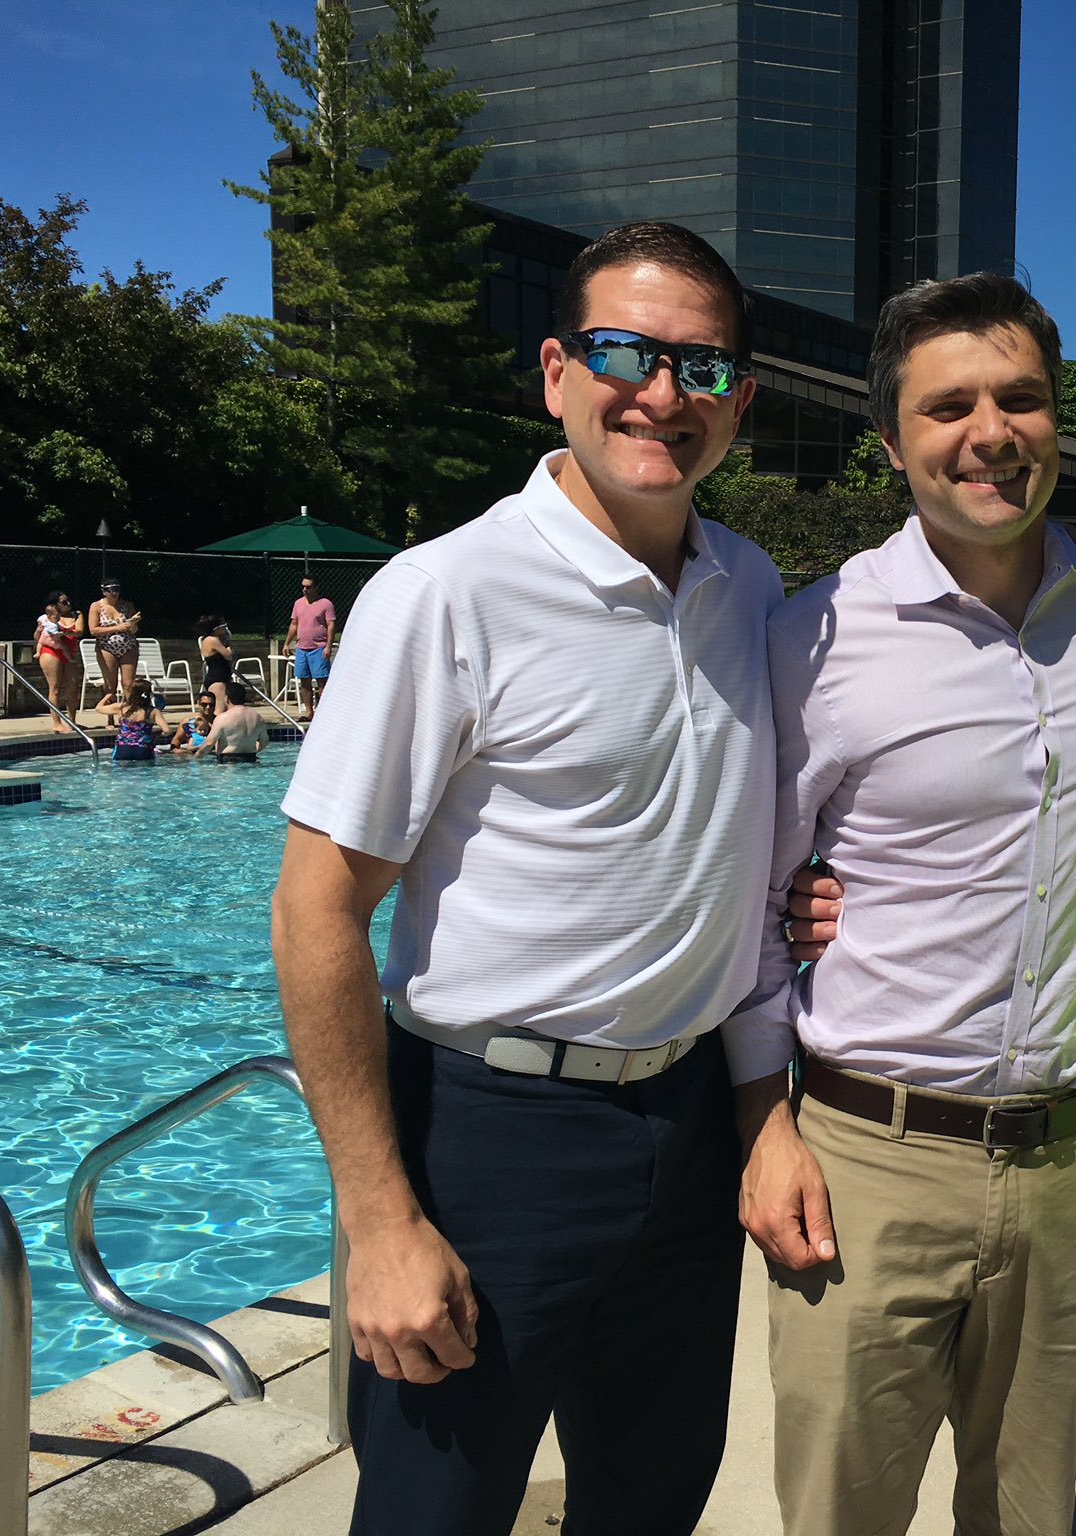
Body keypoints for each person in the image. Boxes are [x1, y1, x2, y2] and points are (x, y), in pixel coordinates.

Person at [270, 221, 775, 1536]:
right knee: (433, 1512)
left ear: (739, 401)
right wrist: (379, 1217)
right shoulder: (446, 590)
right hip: (489, 1138)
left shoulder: (750, 588)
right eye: (625, 352)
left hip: (687, 1124)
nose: (662, 393)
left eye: (702, 367)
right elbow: (318, 905)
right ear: (556, 372)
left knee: (652, 1500)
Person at [724, 273, 1076, 1536]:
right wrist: (762, 1127)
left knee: (1029, 1517)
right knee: (841, 1518)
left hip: (1072, 1159)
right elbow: (752, 900)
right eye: (947, 407)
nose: (990, 433)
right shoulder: (815, 635)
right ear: (891, 440)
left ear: (1055, 415)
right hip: (869, 1160)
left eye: (1019, 399)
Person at [285, 575, 336, 719]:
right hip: (302, 648)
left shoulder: (325, 604)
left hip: (319, 647)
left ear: (316, 588)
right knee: (304, 680)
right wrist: (287, 643)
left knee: (322, 681)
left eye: (308, 587)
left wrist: (328, 646)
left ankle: (324, 713)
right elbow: (294, 624)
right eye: (303, 586)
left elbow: (331, 625)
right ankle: (309, 712)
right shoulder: (298, 603)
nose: (305, 590)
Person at [87, 579, 140, 714]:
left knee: (128, 683)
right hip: (106, 647)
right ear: (104, 592)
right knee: (111, 684)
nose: (115, 594)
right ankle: (110, 715)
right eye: (111, 591)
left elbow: (134, 630)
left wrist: (132, 624)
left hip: (128, 645)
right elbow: (93, 630)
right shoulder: (96, 606)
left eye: (117, 590)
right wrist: (118, 627)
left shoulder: (127, 605)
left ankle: (129, 714)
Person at [34, 590, 82, 731]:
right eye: (64, 602)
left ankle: (72, 721)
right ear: (56, 604)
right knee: (54, 688)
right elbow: (37, 637)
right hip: (51, 651)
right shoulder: (48, 617)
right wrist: (38, 630)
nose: (68, 604)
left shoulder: (76, 615)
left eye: (69, 600)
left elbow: (79, 631)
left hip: (69, 652)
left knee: (73, 688)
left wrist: (64, 632)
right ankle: (57, 723)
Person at [199, 688, 269, 762]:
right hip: (251, 758)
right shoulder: (258, 718)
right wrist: (256, 750)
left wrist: (197, 757)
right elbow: (264, 741)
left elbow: (209, 743)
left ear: (227, 699)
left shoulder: (222, 718)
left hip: (228, 760)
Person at [111, 682, 163, 761]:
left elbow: (98, 708)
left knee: (120, 767)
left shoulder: (122, 708)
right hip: (144, 749)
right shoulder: (153, 711)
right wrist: (155, 734)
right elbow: (167, 731)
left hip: (123, 748)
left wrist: (108, 696)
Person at [197, 614, 237, 711]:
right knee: (218, 711)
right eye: (223, 626)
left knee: (224, 711)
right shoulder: (212, 640)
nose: (225, 628)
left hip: (221, 678)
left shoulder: (211, 639)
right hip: (217, 680)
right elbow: (228, 655)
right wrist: (227, 643)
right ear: (216, 628)